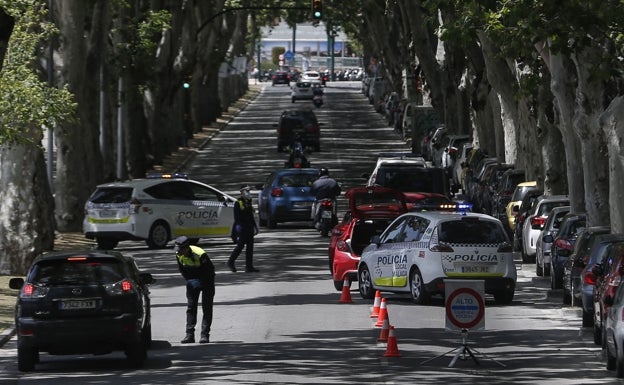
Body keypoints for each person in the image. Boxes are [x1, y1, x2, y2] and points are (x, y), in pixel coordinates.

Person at [174, 236, 215, 344]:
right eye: (178, 250)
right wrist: (190, 281)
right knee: (191, 308)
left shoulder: (200, 253)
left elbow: (210, 271)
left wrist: (201, 281)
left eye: (181, 250)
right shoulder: (179, 255)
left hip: (207, 281)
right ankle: (189, 335)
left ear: (187, 248)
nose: (179, 253)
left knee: (207, 308)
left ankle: (205, 335)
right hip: (192, 281)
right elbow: (182, 270)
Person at [227, 185, 260, 273]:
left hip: (249, 227)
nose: (248, 192)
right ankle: (230, 262)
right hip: (242, 228)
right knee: (240, 246)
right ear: (242, 192)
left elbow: (251, 216)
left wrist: (255, 227)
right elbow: (237, 217)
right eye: (246, 191)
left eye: (249, 191)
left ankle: (249, 267)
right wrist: (239, 228)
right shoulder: (238, 202)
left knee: (250, 247)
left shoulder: (249, 201)